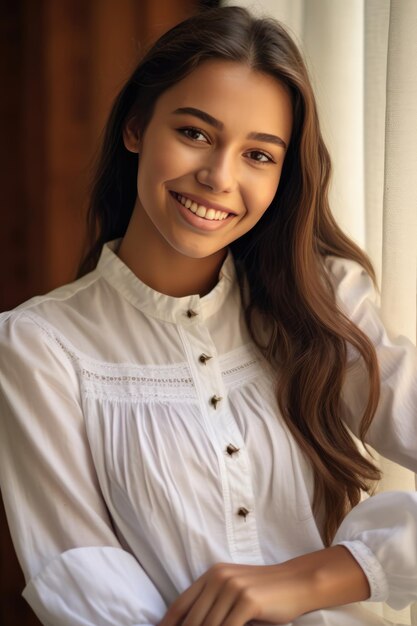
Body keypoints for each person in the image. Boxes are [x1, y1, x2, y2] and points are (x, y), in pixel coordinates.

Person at [0, 5, 416, 626]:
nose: (218, 177)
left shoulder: (320, 299)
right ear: (137, 127)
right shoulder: (39, 345)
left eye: (259, 155)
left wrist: (327, 572)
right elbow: (76, 572)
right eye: (194, 133)